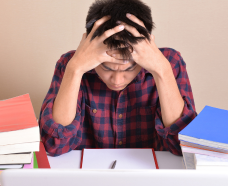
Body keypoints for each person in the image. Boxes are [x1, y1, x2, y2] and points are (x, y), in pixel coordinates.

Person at [38, 0, 197, 157]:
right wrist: (75, 69)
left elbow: (183, 147)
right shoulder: (70, 63)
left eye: (129, 68)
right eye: (106, 68)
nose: (117, 80)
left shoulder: (169, 62)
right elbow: (53, 145)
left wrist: (162, 71)